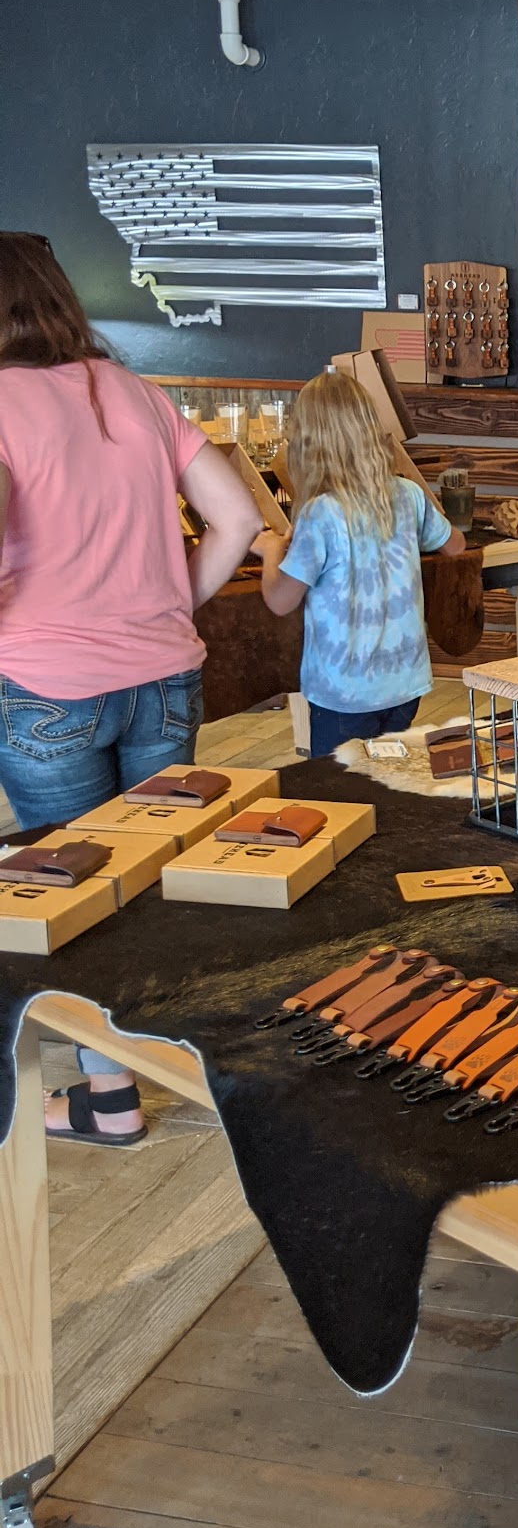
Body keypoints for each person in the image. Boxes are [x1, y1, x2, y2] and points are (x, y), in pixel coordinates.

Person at [0, 231, 262, 1146]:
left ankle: (111, 1096)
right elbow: (239, 518)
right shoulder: (140, 394)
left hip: (45, 682)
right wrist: (167, 601)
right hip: (164, 674)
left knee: (71, 891)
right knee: (153, 872)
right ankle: (174, 1051)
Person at [254, 369, 464, 755]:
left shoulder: (321, 513)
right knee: (390, 784)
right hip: (404, 684)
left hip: (343, 693)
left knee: (341, 798)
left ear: (308, 443)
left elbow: (280, 600)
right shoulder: (407, 494)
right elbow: (455, 545)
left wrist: (270, 551)